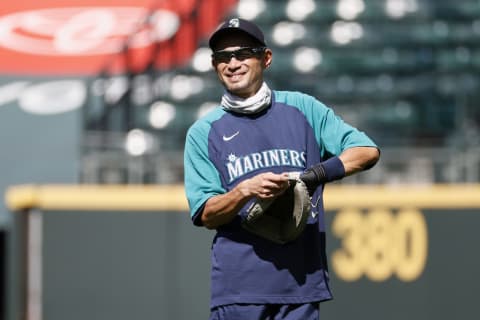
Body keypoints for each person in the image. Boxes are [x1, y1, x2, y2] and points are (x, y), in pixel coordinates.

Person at [183, 17, 380, 320]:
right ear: (214, 66)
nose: (232, 63)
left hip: (300, 285)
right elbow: (206, 213)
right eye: (223, 57)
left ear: (266, 58)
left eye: (243, 53)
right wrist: (243, 191)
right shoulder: (203, 132)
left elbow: (366, 151)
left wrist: (312, 176)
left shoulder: (303, 109)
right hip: (239, 289)